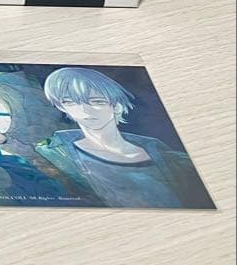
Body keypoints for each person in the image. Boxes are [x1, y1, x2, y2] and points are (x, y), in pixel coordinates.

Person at [36, 67, 213, 208]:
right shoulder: (55, 154)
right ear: (62, 107)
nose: (84, 110)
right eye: (70, 102)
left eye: (97, 101)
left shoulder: (168, 158)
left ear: (117, 106)